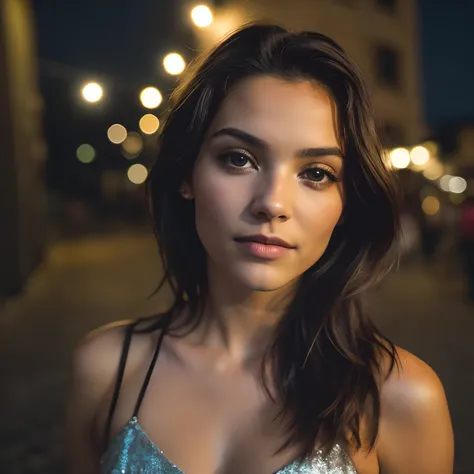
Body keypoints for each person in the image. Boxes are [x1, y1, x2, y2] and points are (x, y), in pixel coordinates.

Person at [66, 23, 454, 474]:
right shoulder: (104, 370)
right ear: (187, 175)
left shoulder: (401, 397)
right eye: (239, 159)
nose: (272, 202)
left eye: (316, 173)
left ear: (346, 203)